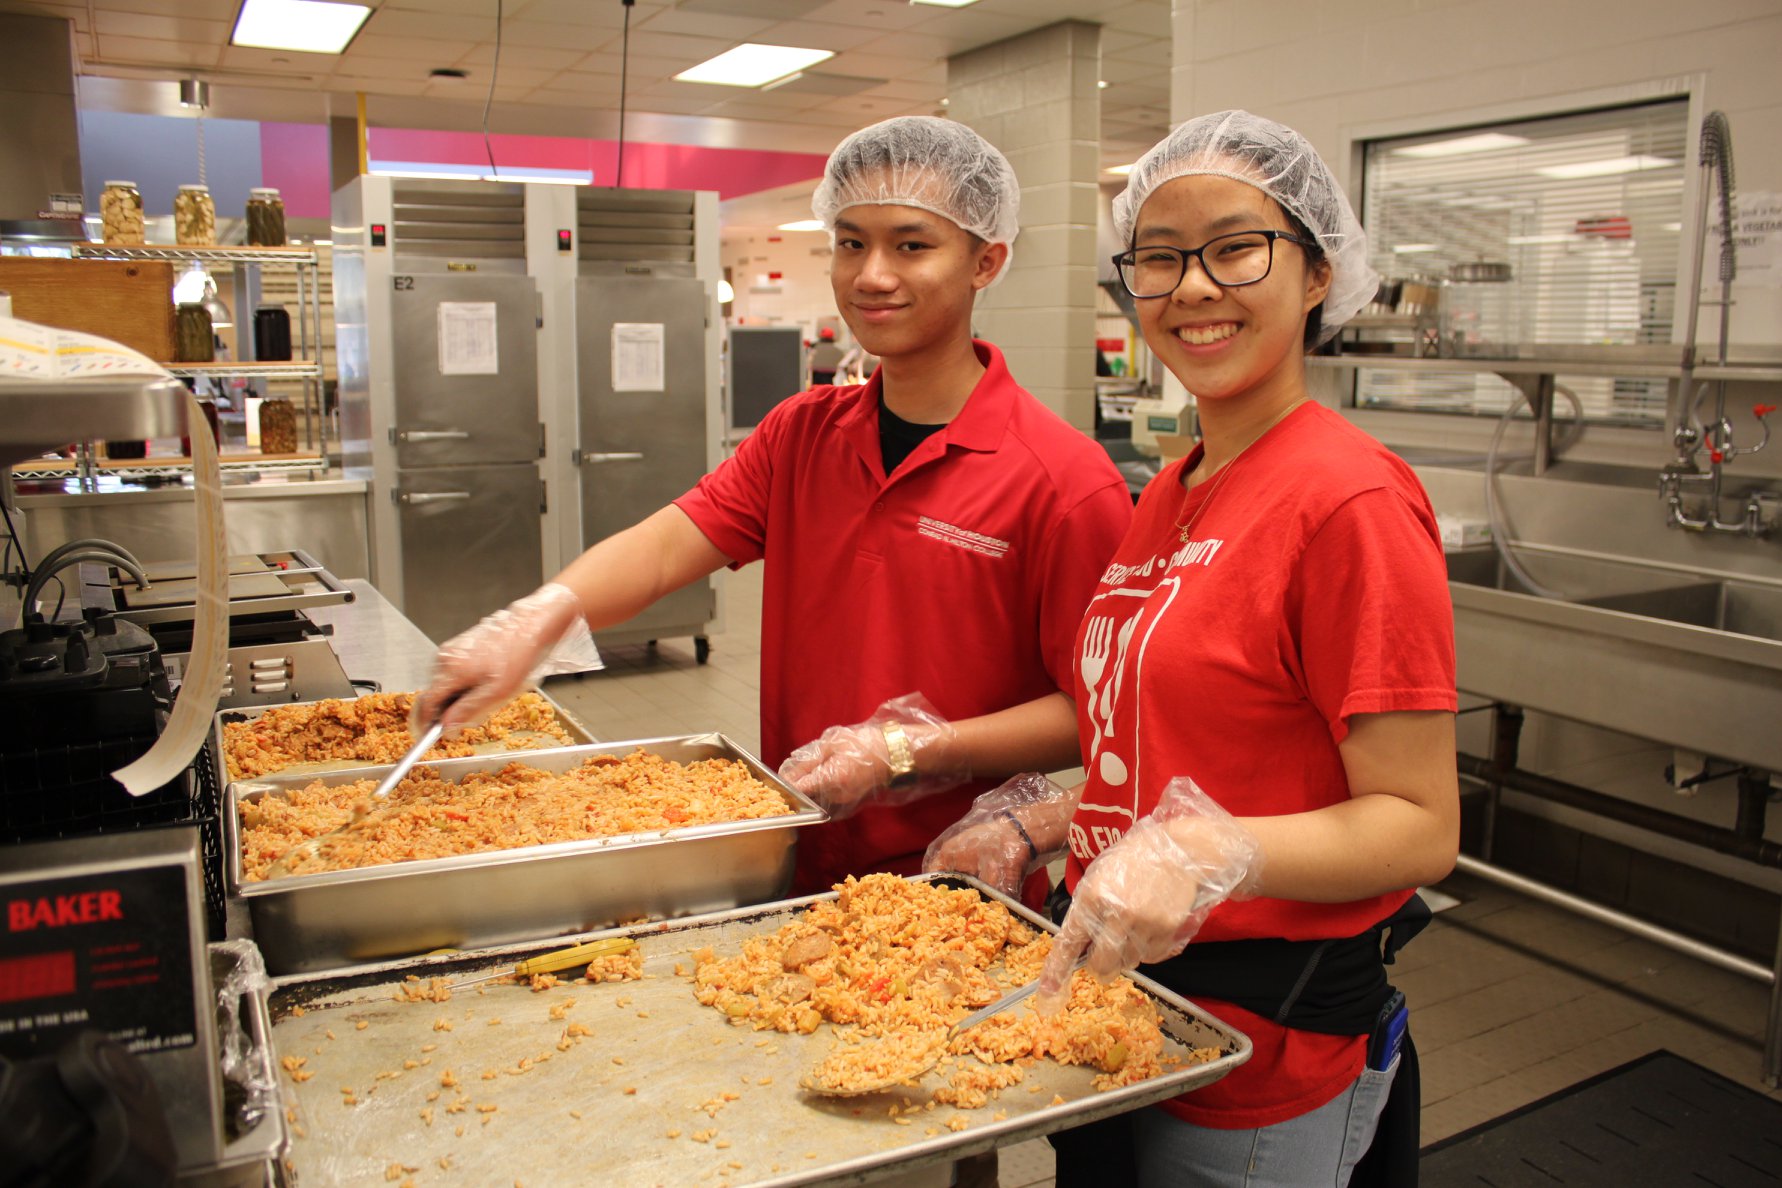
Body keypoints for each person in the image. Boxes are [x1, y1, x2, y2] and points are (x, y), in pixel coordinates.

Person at [923, 110, 1459, 1188]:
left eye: (1235, 248)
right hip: (1129, 1018)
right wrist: (1034, 817)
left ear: (1316, 273)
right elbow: (1186, 748)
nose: (1194, 288)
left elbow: (1418, 827)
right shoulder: (1175, 485)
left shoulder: (1348, 499)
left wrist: (1211, 857)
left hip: (1258, 1049)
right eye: (1159, 260)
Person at [415, 115, 1133, 907]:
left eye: (912, 245)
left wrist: (904, 749)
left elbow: (1097, 717)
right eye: (851, 242)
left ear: (985, 262)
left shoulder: (1062, 480)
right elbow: (663, 547)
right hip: (791, 854)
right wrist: (537, 620)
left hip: (955, 887)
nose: (872, 274)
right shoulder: (803, 434)